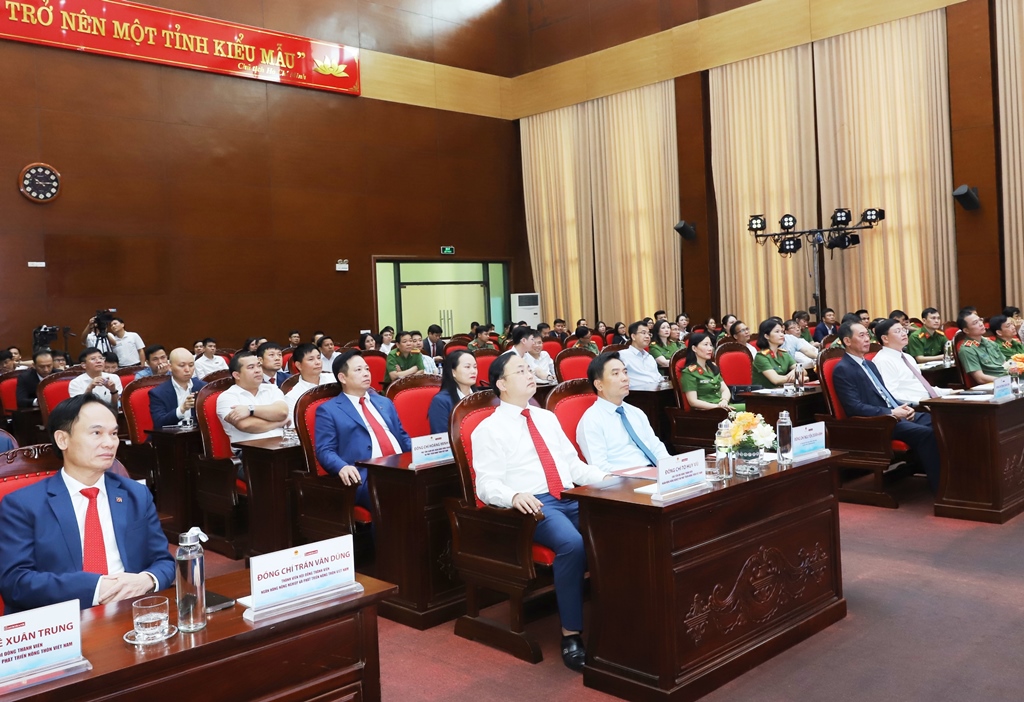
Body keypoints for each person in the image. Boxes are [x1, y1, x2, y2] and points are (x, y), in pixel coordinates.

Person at [471, 352, 609, 671]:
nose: (530, 374)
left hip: (570, 495)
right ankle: (571, 635)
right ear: (501, 384)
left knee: (619, 527)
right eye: (520, 371)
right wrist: (513, 495)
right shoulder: (488, 429)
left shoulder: (546, 417)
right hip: (534, 505)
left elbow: (573, 465)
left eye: (529, 369)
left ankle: (619, 617)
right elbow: (486, 484)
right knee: (571, 544)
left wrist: (608, 479)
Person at [0, 394, 175, 613]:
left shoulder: (136, 495)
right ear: (62, 440)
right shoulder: (22, 505)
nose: (110, 443)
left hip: (132, 611)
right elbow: (16, 582)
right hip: (63, 619)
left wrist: (147, 579)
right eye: (96, 433)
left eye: (113, 433)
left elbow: (164, 561)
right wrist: (96, 587)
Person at [831, 322, 941, 491]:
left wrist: (903, 407)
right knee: (926, 434)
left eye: (867, 335)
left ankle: (946, 474)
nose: (867, 339)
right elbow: (854, 407)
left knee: (941, 423)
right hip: (879, 422)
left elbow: (885, 395)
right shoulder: (843, 369)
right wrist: (892, 412)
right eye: (861, 335)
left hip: (893, 414)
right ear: (847, 341)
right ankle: (941, 487)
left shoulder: (869, 364)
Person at [315, 350, 411, 509]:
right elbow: (325, 450)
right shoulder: (328, 410)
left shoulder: (384, 402)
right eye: (358, 370)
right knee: (400, 494)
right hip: (366, 476)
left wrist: (423, 454)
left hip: (402, 469)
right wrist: (342, 467)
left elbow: (402, 437)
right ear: (342, 378)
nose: (366, 373)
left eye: (367, 369)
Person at [576, 353, 671, 471]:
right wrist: (637, 477)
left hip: (655, 473)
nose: (625, 378)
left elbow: (657, 448)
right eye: (616, 374)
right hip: (624, 479)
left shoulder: (636, 412)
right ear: (599, 385)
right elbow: (600, 468)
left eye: (625, 372)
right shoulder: (592, 420)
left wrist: (671, 469)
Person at [215, 351, 289, 444]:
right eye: (251, 367)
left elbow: (282, 412)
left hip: (283, 444)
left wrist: (250, 409)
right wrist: (279, 423)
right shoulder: (227, 397)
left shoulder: (272, 388)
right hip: (250, 448)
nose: (258, 370)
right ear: (237, 375)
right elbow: (246, 425)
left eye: (259, 366)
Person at [871, 320, 951, 404]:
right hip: (911, 406)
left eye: (903, 330)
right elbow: (891, 394)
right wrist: (922, 401)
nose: (904, 334)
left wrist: (950, 392)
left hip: (927, 401)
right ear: (885, 338)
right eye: (898, 331)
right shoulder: (883, 360)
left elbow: (921, 388)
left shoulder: (907, 357)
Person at [150, 348, 206, 428]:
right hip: (172, 434)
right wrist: (181, 409)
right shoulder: (158, 393)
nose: (187, 370)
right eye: (182, 365)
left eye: (191, 365)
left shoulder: (203, 388)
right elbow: (159, 423)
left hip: (198, 433)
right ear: (170, 367)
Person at [680, 333, 737, 410]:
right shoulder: (689, 372)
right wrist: (718, 407)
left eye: (710, 345)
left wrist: (724, 400)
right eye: (705, 345)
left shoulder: (712, 367)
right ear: (694, 348)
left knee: (750, 407)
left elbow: (725, 389)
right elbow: (693, 402)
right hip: (708, 411)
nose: (710, 348)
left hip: (723, 406)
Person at [428, 350, 478, 434]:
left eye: (475, 367)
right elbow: (442, 436)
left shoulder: (481, 397)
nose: (473, 371)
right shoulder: (441, 401)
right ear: (453, 372)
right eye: (467, 367)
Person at [957, 312, 1007, 384]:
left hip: (1007, 379)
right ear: (966, 330)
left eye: (980, 320)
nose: (981, 324)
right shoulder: (967, 350)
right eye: (975, 323)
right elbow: (980, 378)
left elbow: (1005, 365)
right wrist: (1005, 380)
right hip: (995, 385)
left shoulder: (991, 343)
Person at [751, 319, 797, 388]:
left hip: (781, 391)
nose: (782, 335)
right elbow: (776, 380)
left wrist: (794, 372)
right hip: (764, 393)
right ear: (766, 336)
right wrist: (796, 377)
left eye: (782, 332)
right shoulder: (761, 357)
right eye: (777, 332)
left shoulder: (784, 353)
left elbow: (803, 371)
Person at [284, 343, 323, 420]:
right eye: (311, 359)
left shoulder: (334, 379)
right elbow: (293, 425)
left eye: (319, 358)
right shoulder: (292, 397)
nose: (318, 362)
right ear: (299, 365)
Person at [620, 321, 661, 391]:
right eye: (643, 333)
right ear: (633, 336)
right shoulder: (622, 356)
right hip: (636, 394)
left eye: (649, 334)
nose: (647, 336)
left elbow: (658, 377)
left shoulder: (650, 357)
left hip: (656, 391)